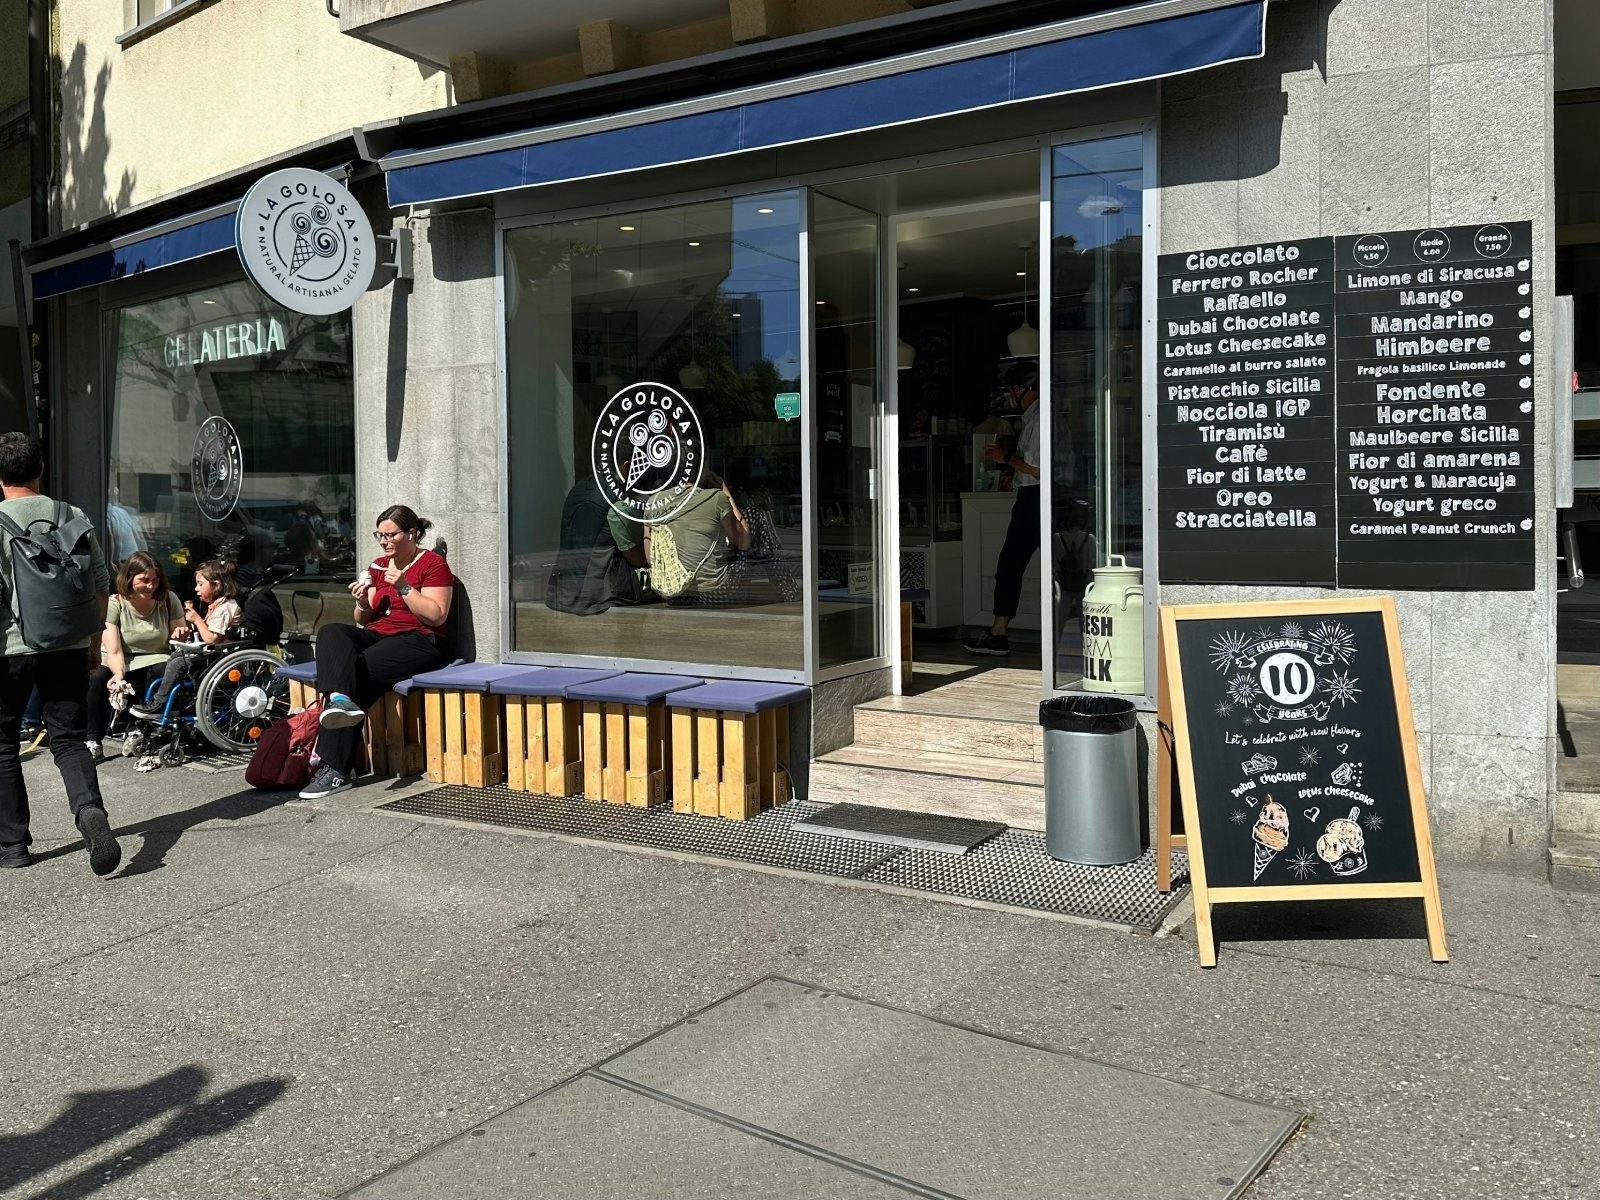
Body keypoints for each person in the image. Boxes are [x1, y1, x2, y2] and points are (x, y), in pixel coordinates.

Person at [0, 432, 120, 874]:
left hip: (10, 649)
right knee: (68, 740)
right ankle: (91, 813)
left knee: (3, 745)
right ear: (40, 470)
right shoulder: (71, 515)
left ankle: (13, 846)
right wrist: (91, 644)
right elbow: (103, 584)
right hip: (68, 645)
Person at [299, 505, 453, 800]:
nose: (384, 542)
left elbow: (436, 616)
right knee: (332, 632)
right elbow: (362, 620)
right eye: (379, 535)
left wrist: (406, 587)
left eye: (390, 535)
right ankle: (340, 700)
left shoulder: (432, 564)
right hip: (380, 635)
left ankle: (334, 769)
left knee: (356, 670)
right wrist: (362, 601)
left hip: (420, 640)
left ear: (412, 534)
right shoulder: (378, 566)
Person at [964, 364, 1041, 657]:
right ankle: (998, 632)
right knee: (1015, 565)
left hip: (1036, 498)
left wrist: (1005, 457)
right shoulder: (1035, 417)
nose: (1010, 395)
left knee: (1012, 564)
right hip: (1033, 497)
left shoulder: (1039, 419)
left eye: (1012, 389)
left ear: (1022, 389)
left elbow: (1038, 470)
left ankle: (999, 634)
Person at [87, 551, 186, 755]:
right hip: (118, 657)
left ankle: (139, 728)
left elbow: (177, 637)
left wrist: (180, 633)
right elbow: (113, 650)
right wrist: (118, 675)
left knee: (160, 671)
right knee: (97, 679)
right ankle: (92, 739)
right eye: (144, 580)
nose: (150, 586)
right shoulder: (115, 604)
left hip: (155, 655)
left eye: (155, 580)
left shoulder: (168, 599)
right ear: (129, 578)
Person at [128, 560, 241, 720]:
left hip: (220, 658)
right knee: (175, 657)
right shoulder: (216, 605)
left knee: (178, 662)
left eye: (200, 584)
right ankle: (170, 702)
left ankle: (160, 702)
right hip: (213, 655)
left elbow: (212, 639)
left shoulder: (225, 608)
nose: (196, 589)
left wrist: (197, 619)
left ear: (216, 585)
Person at [648, 469, 750, 603]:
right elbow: (744, 542)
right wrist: (723, 489)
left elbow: (651, 559)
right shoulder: (716, 498)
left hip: (673, 593)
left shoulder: (653, 502)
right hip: (714, 592)